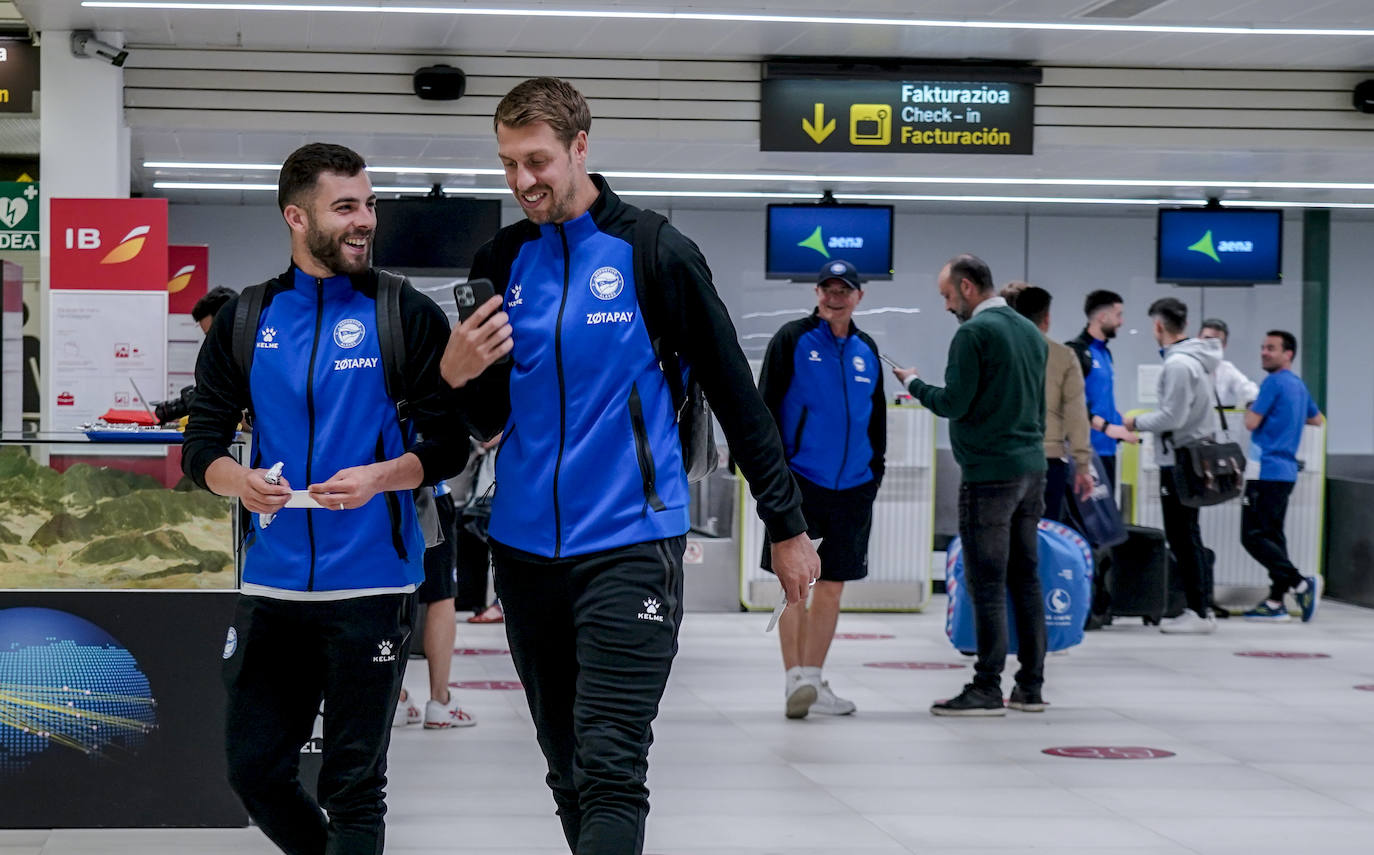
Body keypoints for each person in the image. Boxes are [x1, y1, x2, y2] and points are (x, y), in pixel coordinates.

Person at [441, 77, 819, 854]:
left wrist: (787, 526)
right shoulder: (501, 258)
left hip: (628, 543)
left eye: (537, 160)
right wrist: (456, 371)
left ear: (581, 147)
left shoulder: (655, 252)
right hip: (522, 553)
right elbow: (483, 422)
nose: (522, 181)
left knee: (612, 764)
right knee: (568, 768)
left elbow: (737, 396)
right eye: (508, 163)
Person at [182, 142, 490, 855]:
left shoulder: (402, 313)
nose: (365, 221)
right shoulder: (247, 318)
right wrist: (242, 481)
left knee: (354, 784)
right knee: (253, 769)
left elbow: (448, 443)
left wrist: (380, 476)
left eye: (370, 204)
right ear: (296, 215)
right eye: (345, 206)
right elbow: (201, 445)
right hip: (274, 585)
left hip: (374, 584)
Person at [892, 254, 1048, 717]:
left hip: (989, 475)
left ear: (966, 286)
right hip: (1031, 471)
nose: (946, 306)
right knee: (1026, 578)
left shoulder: (974, 333)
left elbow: (954, 403)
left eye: (946, 295)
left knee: (986, 582)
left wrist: (914, 383)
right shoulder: (1030, 333)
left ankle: (986, 686)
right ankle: (1031, 686)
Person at [758, 259, 885, 719]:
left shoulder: (866, 349)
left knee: (832, 586)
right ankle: (795, 680)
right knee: (796, 586)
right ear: (816, 293)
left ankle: (812, 678)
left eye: (844, 289)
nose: (836, 296)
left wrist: (874, 478)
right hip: (801, 484)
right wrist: (773, 484)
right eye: (828, 288)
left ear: (858, 296)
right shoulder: (793, 340)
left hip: (853, 488)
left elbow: (877, 423)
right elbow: (764, 409)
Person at [1123, 298, 1222, 635]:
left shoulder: (1179, 364)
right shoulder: (1195, 360)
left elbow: (1172, 416)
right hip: (1187, 456)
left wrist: (1134, 422)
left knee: (1183, 535)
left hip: (1181, 460)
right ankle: (1199, 607)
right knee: (1186, 533)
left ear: (1158, 326)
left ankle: (1199, 608)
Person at [1241, 330, 1325, 623]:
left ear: (1288, 354)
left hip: (1264, 470)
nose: (1264, 352)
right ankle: (1276, 601)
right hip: (1286, 472)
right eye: (1263, 347)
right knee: (1273, 535)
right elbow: (1317, 419)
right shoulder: (1298, 386)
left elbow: (1251, 423)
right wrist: (1286, 418)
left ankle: (1301, 583)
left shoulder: (1273, 383)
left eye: (1271, 348)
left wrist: (1250, 405)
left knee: (1251, 536)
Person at [1003, 283, 1093, 522]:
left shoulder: (996, 351)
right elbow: (1076, 414)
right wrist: (1083, 465)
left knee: (1002, 534)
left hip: (1003, 459)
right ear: (1047, 317)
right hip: (1048, 461)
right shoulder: (1064, 356)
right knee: (1043, 533)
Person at [393, 480, 478, 729]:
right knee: (441, 596)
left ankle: (393, 697)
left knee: (390, 593)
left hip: (378, 496)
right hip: (431, 491)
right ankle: (440, 701)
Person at [1066, 290, 1135, 488]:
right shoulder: (1076, 352)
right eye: (1118, 315)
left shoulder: (1106, 353)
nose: (1121, 322)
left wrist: (1121, 421)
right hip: (1086, 453)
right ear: (1102, 317)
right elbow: (1072, 403)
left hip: (1108, 450)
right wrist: (1107, 427)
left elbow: (1101, 397)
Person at [152, 286, 239, 423]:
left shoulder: (254, 355)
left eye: (213, 335)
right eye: (208, 336)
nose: (212, 343)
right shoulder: (220, 361)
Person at [1199, 318, 1260, 409]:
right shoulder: (1182, 364)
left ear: (1224, 346)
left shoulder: (1225, 369)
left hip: (1213, 421)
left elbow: (1250, 392)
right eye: (1207, 339)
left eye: (1216, 342)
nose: (1210, 344)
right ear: (1198, 339)